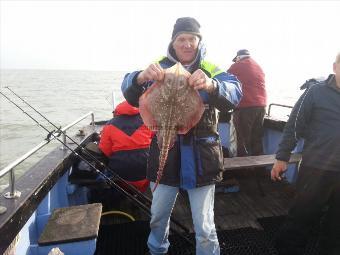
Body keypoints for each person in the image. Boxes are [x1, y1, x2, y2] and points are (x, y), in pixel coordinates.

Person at [121, 17, 242, 255]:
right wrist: (139, 77)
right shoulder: (158, 66)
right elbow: (131, 92)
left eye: (192, 39)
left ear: (199, 42)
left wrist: (211, 85)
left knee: (204, 225)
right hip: (164, 151)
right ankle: (157, 250)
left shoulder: (210, 68)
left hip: (201, 158)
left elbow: (235, 92)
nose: (187, 44)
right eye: (181, 39)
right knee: (158, 216)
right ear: (173, 42)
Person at [271, 52, 340, 255]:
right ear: (335, 67)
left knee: (336, 225)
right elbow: (294, 125)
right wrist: (282, 157)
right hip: (316, 169)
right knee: (301, 218)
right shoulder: (315, 92)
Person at [99, 100, 153, 193]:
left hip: (121, 171)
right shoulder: (147, 121)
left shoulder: (109, 125)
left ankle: (126, 196)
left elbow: (105, 151)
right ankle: (143, 192)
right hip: (147, 167)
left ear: (117, 111)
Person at [228, 49, 267, 156]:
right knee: (256, 140)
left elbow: (224, 83)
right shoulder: (258, 66)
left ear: (238, 58)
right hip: (261, 107)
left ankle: (241, 170)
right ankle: (259, 169)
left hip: (245, 107)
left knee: (241, 142)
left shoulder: (237, 66)